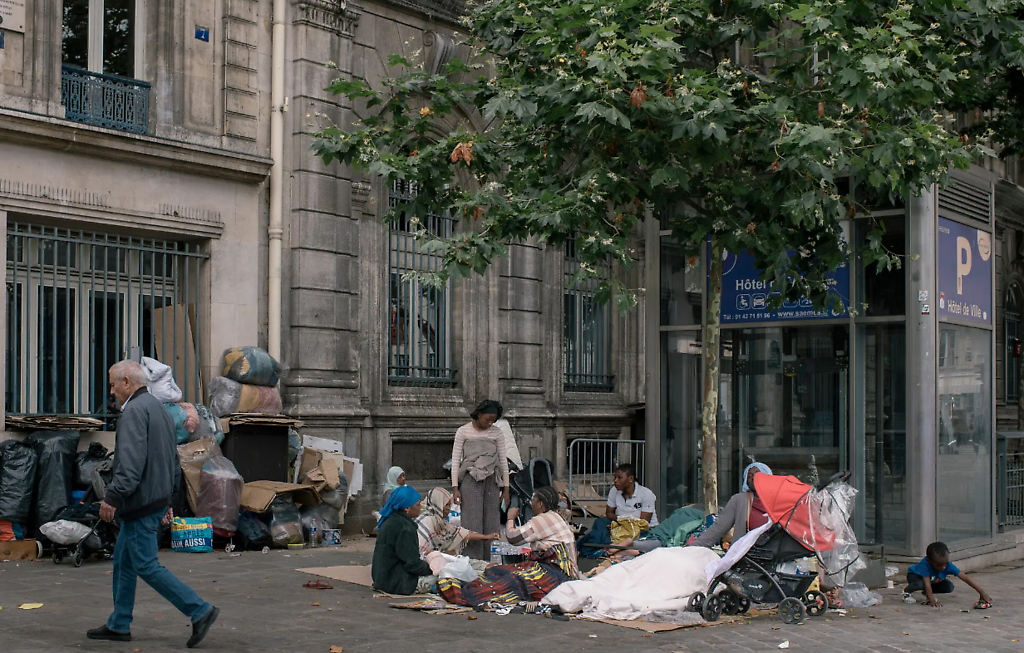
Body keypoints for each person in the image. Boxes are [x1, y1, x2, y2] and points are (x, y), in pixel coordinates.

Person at [88, 360, 219, 648]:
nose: (112, 391)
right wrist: (169, 497)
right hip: (154, 498)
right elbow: (173, 458)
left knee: (146, 565)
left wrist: (112, 497)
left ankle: (199, 610)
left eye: (113, 384)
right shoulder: (159, 408)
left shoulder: (134, 411)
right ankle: (119, 623)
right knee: (124, 561)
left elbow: (131, 464)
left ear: (126, 382)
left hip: (141, 501)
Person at [436, 486, 579, 608]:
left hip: (557, 573)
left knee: (514, 580)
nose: (531, 504)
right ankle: (472, 587)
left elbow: (513, 538)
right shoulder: (555, 517)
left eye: (533, 500)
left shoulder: (544, 519)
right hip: (559, 571)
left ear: (541, 504)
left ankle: (466, 592)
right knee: (501, 570)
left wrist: (511, 518)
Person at [450, 399, 510, 560]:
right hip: (470, 480)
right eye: (487, 419)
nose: (490, 423)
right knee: (472, 522)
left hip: (491, 481)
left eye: (493, 421)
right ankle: (472, 561)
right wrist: (455, 488)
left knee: (491, 522)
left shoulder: (497, 433)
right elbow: (455, 461)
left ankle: (488, 561)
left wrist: (506, 488)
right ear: (479, 414)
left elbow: (503, 461)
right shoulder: (463, 431)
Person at [690, 462, 772, 548]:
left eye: (757, 474)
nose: (753, 478)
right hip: (747, 553)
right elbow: (719, 528)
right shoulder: (739, 500)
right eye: (749, 476)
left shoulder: (778, 501)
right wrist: (693, 548)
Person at [371, 486, 435, 595]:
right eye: (417, 505)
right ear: (407, 508)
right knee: (445, 579)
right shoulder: (405, 528)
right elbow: (412, 564)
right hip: (397, 583)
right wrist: (433, 568)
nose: (420, 508)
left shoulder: (389, 520)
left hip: (381, 579)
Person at [904, 541, 993, 609]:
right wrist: (932, 601)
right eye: (939, 565)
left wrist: (982, 593)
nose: (943, 567)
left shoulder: (948, 565)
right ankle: (906, 591)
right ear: (929, 561)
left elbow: (965, 578)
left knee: (949, 586)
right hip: (915, 576)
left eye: (945, 564)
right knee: (920, 584)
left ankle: (926, 592)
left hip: (932, 580)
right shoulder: (925, 564)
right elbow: (927, 583)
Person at [416, 487, 498, 556]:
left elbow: (460, 533)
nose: (448, 508)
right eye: (446, 505)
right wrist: (445, 554)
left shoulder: (439, 521)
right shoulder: (427, 521)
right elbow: (422, 553)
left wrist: (486, 537)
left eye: (449, 505)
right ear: (438, 504)